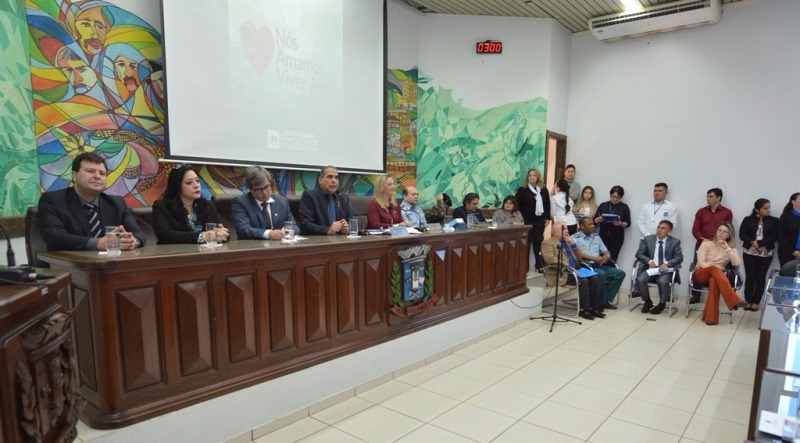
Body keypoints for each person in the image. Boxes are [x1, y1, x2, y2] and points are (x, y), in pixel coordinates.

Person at [38, 152, 145, 251]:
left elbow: (138, 234)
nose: (97, 176)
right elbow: (54, 236)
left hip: (113, 265)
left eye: (102, 173)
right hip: (70, 266)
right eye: (90, 171)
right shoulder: (52, 200)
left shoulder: (117, 203)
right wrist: (98, 243)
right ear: (74, 176)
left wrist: (132, 242)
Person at [152, 165, 230, 244]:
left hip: (206, 254)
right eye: (189, 182)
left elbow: (224, 231)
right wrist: (202, 236)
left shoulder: (208, 205)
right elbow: (165, 235)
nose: (196, 185)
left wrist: (223, 233)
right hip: (177, 254)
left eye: (197, 181)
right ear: (177, 186)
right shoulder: (162, 207)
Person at [541, 222, 603, 320]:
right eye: (564, 229)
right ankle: (584, 310)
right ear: (556, 233)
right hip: (562, 273)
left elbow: (579, 258)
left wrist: (573, 245)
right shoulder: (548, 243)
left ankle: (593, 308)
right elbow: (550, 259)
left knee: (595, 278)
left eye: (566, 229)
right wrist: (568, 266)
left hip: (576, 271)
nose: (567, 231)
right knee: (584, 281)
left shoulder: (568, 241)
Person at [695, 222, 748, 325]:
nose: (721, 233)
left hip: (717, 277)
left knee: (714, 281)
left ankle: (711, 318)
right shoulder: (706, 244)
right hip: (701, 273)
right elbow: (701, 262)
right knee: (714, 269)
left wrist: (727, 248)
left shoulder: (730, 248)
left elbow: (736, 263)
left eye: (725, 232)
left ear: (729, 235)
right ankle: (733, 300)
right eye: (719, 230)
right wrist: (714, 270)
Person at [689, 188, 733, 303]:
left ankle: (714, 296)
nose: (708, 199)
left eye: (711, 196)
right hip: (702, 244)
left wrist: (716, 241)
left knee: (717, 269)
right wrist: (703, 240)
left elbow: (728, 229)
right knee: (698, 267)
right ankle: (695, 295)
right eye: (707, 196)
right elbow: (695, 229)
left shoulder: (726, 212)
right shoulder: (701, 211)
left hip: (718, 247)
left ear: (718, 197)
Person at [573, 217, 626, 310]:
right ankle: (599, 302)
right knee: (601, 274)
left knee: (620, 273)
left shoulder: (596, 237)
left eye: (593, 224)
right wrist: (594, 258)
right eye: (589, 224)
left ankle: (604, 300)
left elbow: (606, 251)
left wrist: (606, 257)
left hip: (599, 264)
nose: (593, 226)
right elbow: (577, 254)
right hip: (585, 265)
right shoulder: (575, 237)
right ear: (582, 226)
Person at [232, 166, 296, 240]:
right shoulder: (241, 203)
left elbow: (294, 226)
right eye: (259, 189)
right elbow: (243, 230)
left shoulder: (282, 202)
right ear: (250, 189)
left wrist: (287, 231)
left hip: (281, 246)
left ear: (270, 182)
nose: (265, 192)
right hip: (255, 248)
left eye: (266, 187)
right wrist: (269, 234)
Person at [634, 220, 684, 315]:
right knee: (640, 279)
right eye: (658, 227)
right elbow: (639, 254)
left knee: (662, 281)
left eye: (663, 228)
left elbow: (679, 257)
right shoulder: (648, 239)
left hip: (665, 270)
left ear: (669, 232)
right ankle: (648, 301)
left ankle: (661, 304)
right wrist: (649, 261)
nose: (659, 230)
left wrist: (667, 263)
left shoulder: (675, 242)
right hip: (651, 269)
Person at [739, 198, 778, 310]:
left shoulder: (774, 220)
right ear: (757, 209)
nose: (768, 210)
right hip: (749, 252)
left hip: (766, 252)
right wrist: (754, 244)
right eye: (765, 208)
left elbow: (775, 236)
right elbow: (742, 234)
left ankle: (756, 301)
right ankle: (748, 300)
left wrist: (761, 244)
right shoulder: (747, 219)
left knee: (761, 277)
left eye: (769, 207)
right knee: (750, 276)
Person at [299, 166, 351, 235]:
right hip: (318, 241)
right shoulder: (309, 196)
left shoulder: (343, 197)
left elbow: (350, 221)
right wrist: (328, 230)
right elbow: (306, 224)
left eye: (336, 177)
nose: (334, 181)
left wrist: (347, 228)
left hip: (340, 241)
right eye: (329, 177)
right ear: (320, 180)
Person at [516, 168, 551, 272]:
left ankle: (539, 266)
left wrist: (548, 217)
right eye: (530, 175)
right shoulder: (523, 189)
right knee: (526, 243)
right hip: (526, 221)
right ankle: (525, 267)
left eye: (534, 175)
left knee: (538, 243)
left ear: (538, 177)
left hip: (539, 221)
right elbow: (516, 204)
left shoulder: (543, 189)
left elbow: (547, 204)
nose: (531, 177)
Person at [593, 185, 631, 262]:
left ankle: (612, 272)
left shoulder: (624, 207)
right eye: (613, 196)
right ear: (610, 195)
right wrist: (597, 220)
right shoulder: (603, 205)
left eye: (618, 197)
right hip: (603, 234)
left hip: (617, 236)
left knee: (613, 258)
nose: (615, 199)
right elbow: (594, 221)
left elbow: (628, 223)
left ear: (621, 197)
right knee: (601, 257)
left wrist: (620, 224)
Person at [777, 193, 800, 266]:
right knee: (787, 275)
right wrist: (792, 251)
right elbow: (780, 235)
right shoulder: (786, 216)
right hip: (787, 252)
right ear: (793, 202)